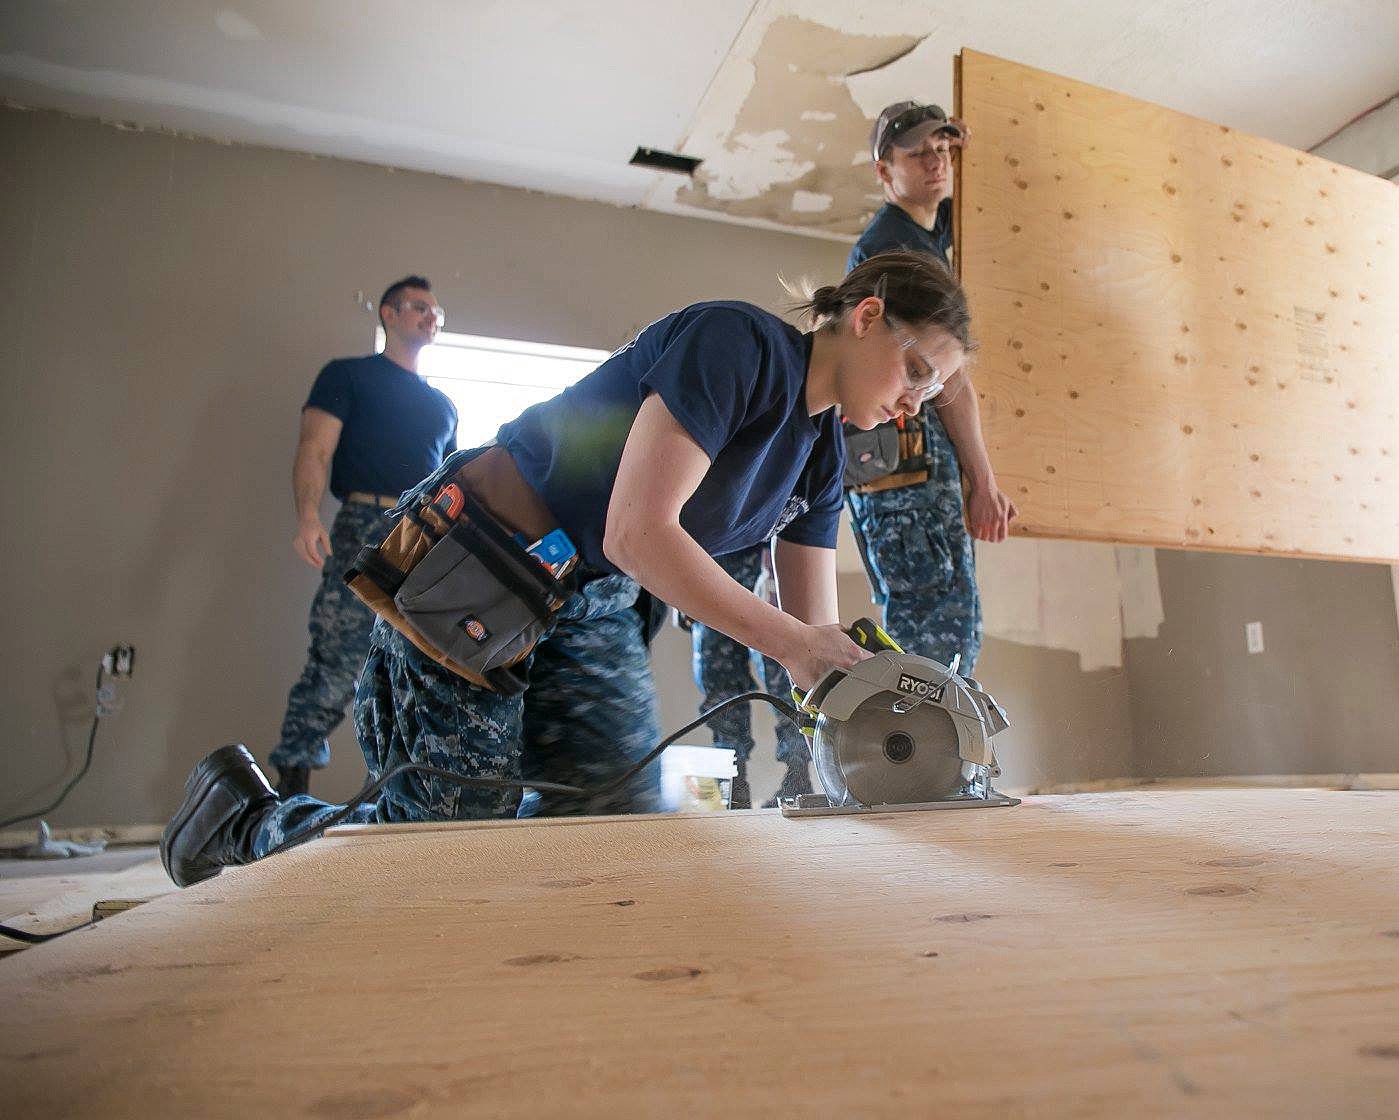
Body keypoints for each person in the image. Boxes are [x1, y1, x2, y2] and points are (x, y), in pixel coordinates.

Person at [161, 250, 975, 885]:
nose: (915, 403)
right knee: (435, 843)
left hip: (590, 599)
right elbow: (638, 532)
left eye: (932, 392)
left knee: (610, 817)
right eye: (915, 372)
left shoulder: (822, 455)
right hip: (482, 560)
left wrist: (885, 708)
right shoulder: (738, 346)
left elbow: (814, 637)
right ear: (866, 316)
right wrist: (800, 647)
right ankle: (241, 820)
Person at [845, 101, 1017, 676]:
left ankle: (932, 758)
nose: (936, 162)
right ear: (883, 171)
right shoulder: (894, 249)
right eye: (917, 154)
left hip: (903, 462)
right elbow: (951, 381)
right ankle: (923, 760)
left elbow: (955, 205)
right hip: (906, 460)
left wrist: (962, 140)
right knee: (938, 635)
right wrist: (983, 482)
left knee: (939, 628)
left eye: (943, 151)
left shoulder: (921, 231)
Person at [269, 276, 458, 799]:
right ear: (389, 315)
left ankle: (386, 802)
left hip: (420, 538)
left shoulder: (443, 406)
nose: (430, 318)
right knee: (337, 659)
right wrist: (308, 518)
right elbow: (314, 450)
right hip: (363, 528)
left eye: (436, 312)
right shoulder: (347, 377)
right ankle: (290, 793)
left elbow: (450, 489)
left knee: (408, 671)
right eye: (419, 308)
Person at [687, 546, 814, 808]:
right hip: (705, 561)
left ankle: (798, 779)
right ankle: (732, 783)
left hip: (763, 554)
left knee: (784, 676)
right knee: (718, 677)